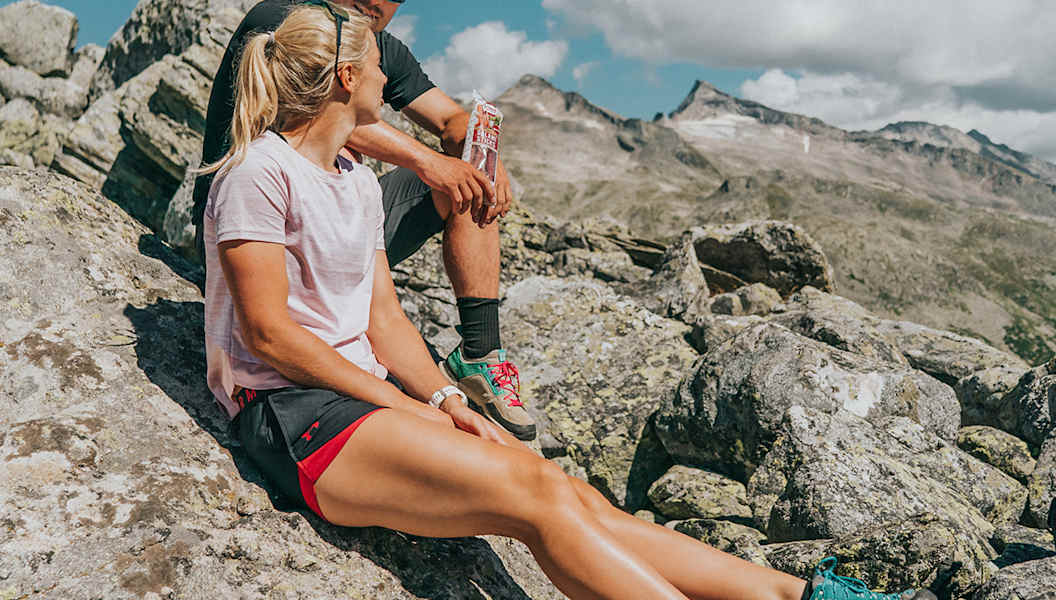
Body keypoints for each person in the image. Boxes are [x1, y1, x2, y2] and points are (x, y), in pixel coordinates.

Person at [199, 5, 937, 600]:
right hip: (293, 417)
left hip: (358, 404)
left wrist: (449, 398)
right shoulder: (256, 174)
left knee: (561, 487)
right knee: (536, 503)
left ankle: (794, 594)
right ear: (346, 78)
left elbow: (381, 319)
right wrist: (406, 409)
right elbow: (269, 336)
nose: (391, 75)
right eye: (376, 61)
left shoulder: (355, 179)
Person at [195, 0, 536, 441]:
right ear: (349, 74)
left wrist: (481, 153)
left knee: (472, 178)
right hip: (253, 235)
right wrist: (429, 160)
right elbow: (324, 117)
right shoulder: (292, 25)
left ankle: (480, 354)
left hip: (333, 230)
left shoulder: (380, 51)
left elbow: (451, 117)